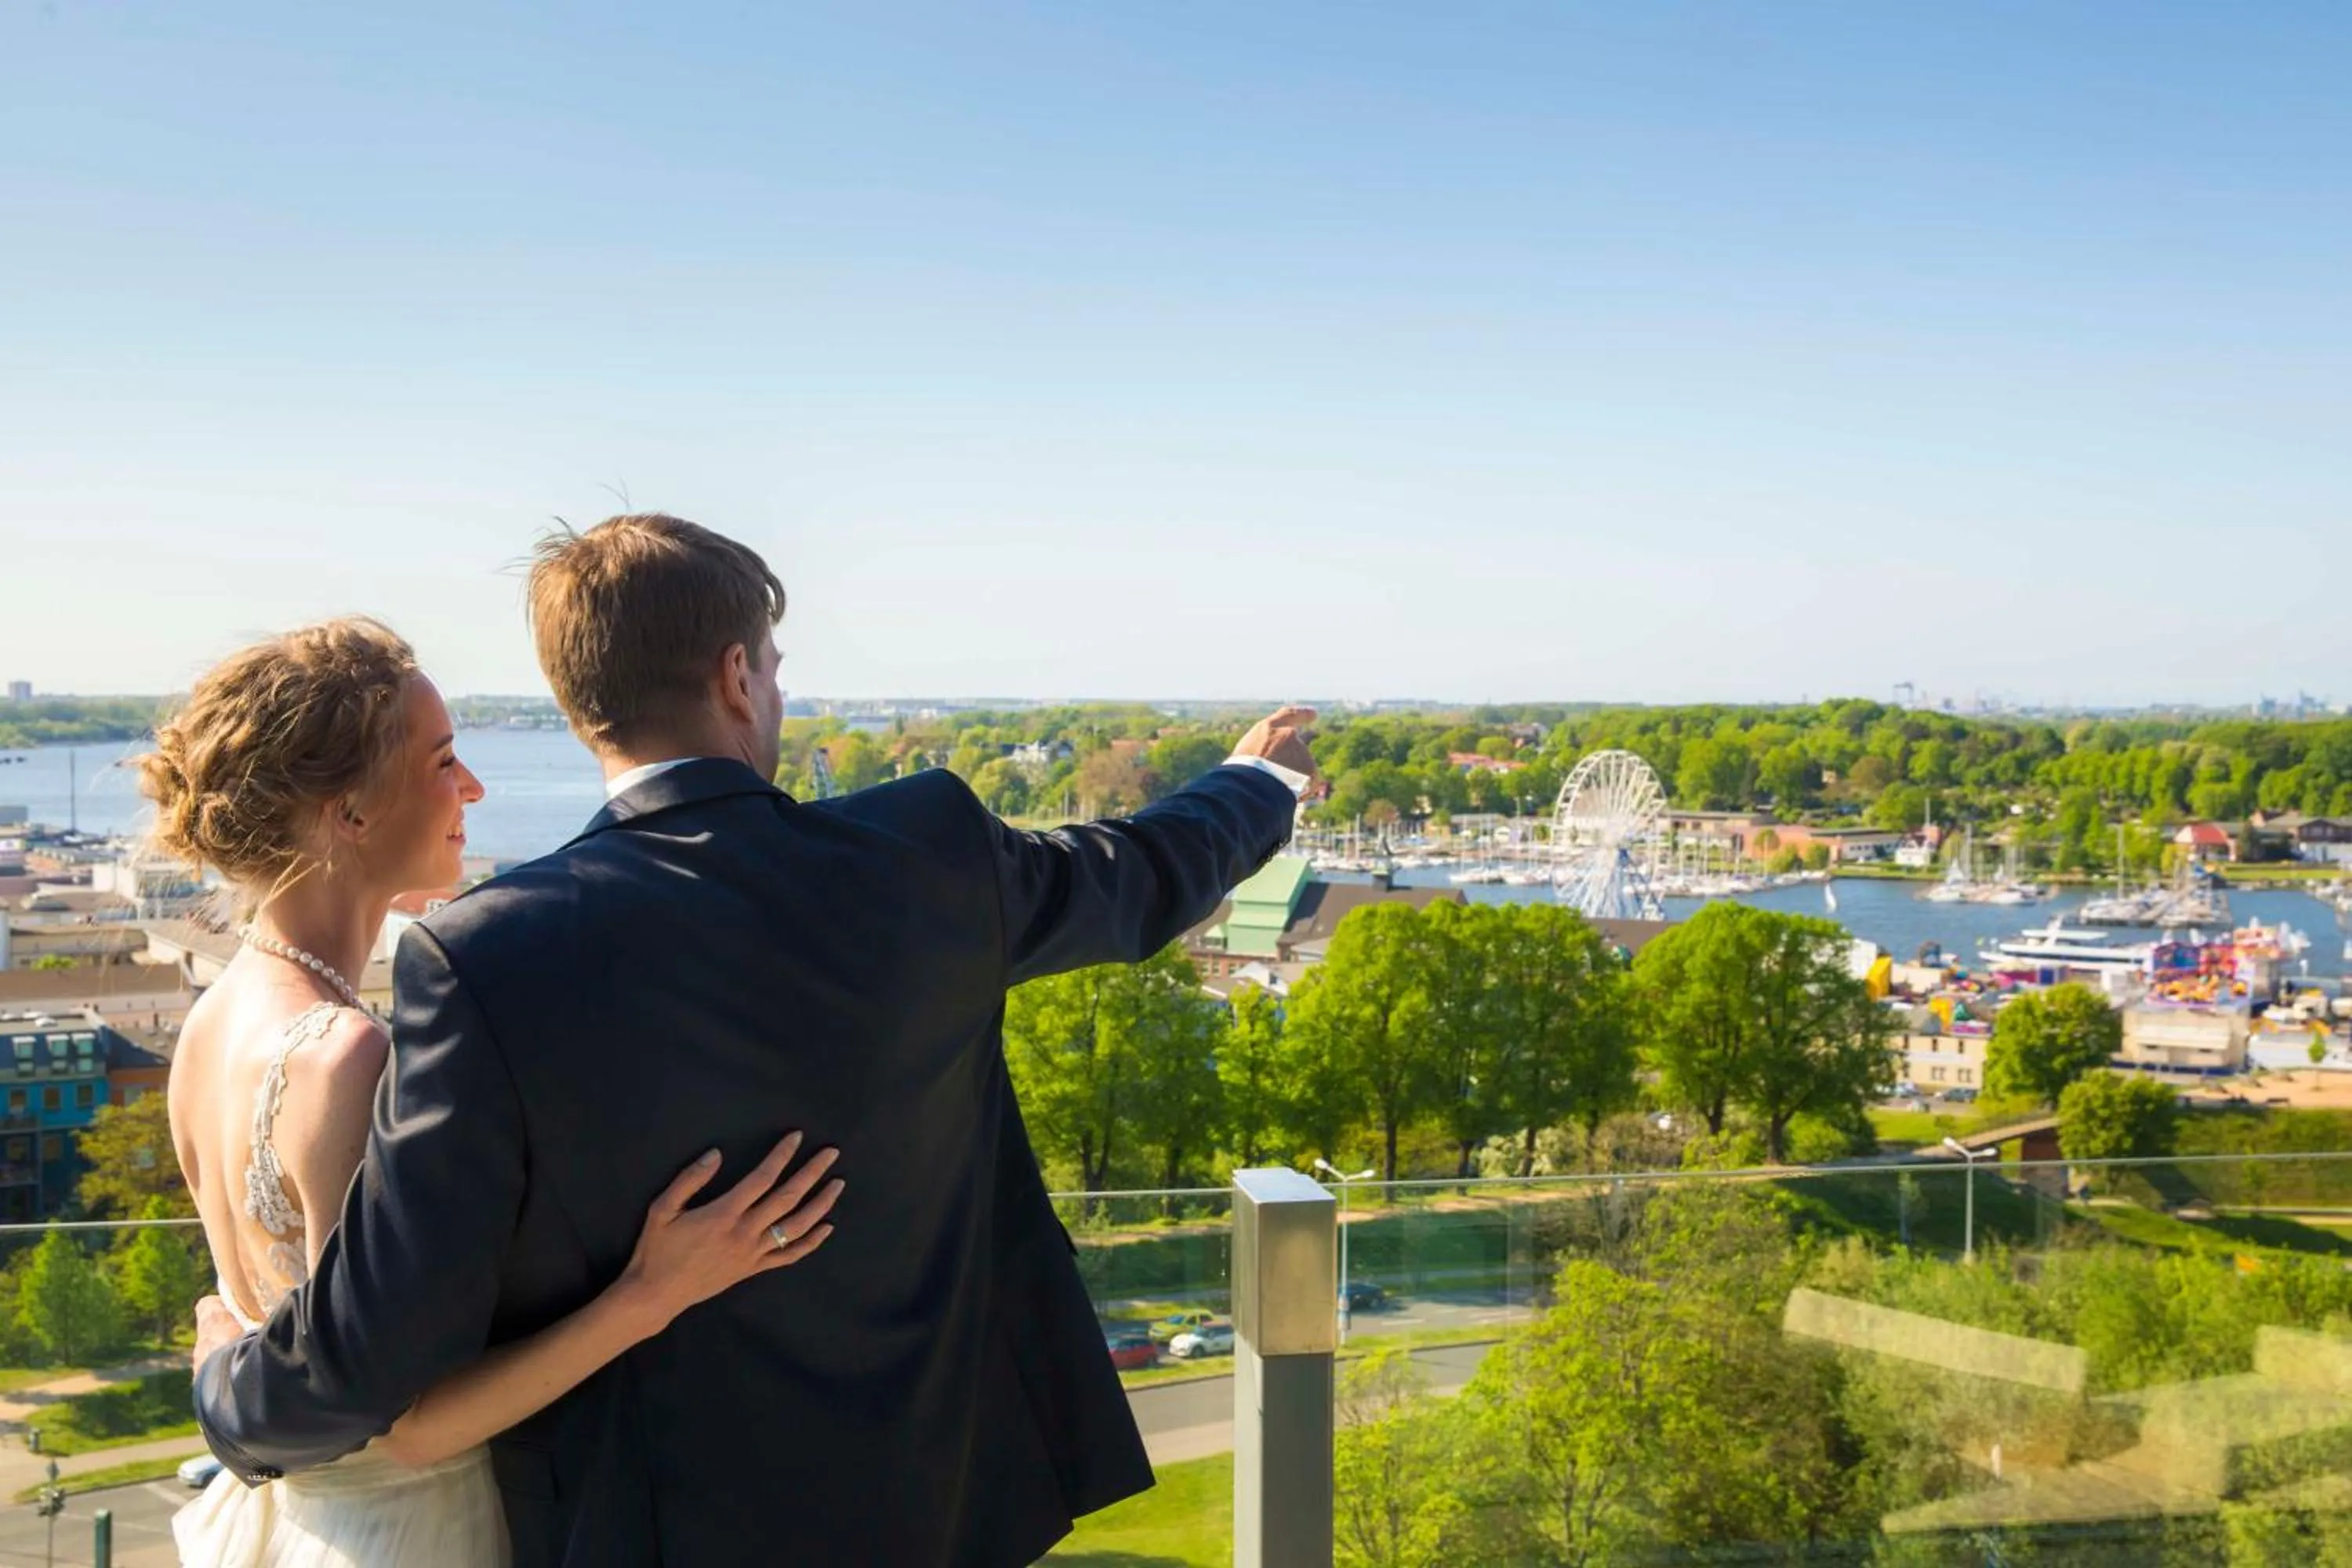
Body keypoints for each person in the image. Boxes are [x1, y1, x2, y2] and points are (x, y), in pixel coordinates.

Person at [192, 514, 1315, 1567]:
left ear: (582, 710)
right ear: (737, 675)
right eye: (772, 670)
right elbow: (1143, 873)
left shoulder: (486, 954)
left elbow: (373, 1351)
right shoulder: (929, 853)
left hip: (660, 1528)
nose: (772, 692)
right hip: (941, 1495)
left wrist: (224, 1391)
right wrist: (1258, 782)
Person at [147, 618, 845, 1566]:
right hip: (407, 1531)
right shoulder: (344, 1056)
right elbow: (411, 1424)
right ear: (350, 811)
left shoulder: (212, 1018)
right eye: (443, 760)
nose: (473, 787)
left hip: (284, 1520)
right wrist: (652, 1291)